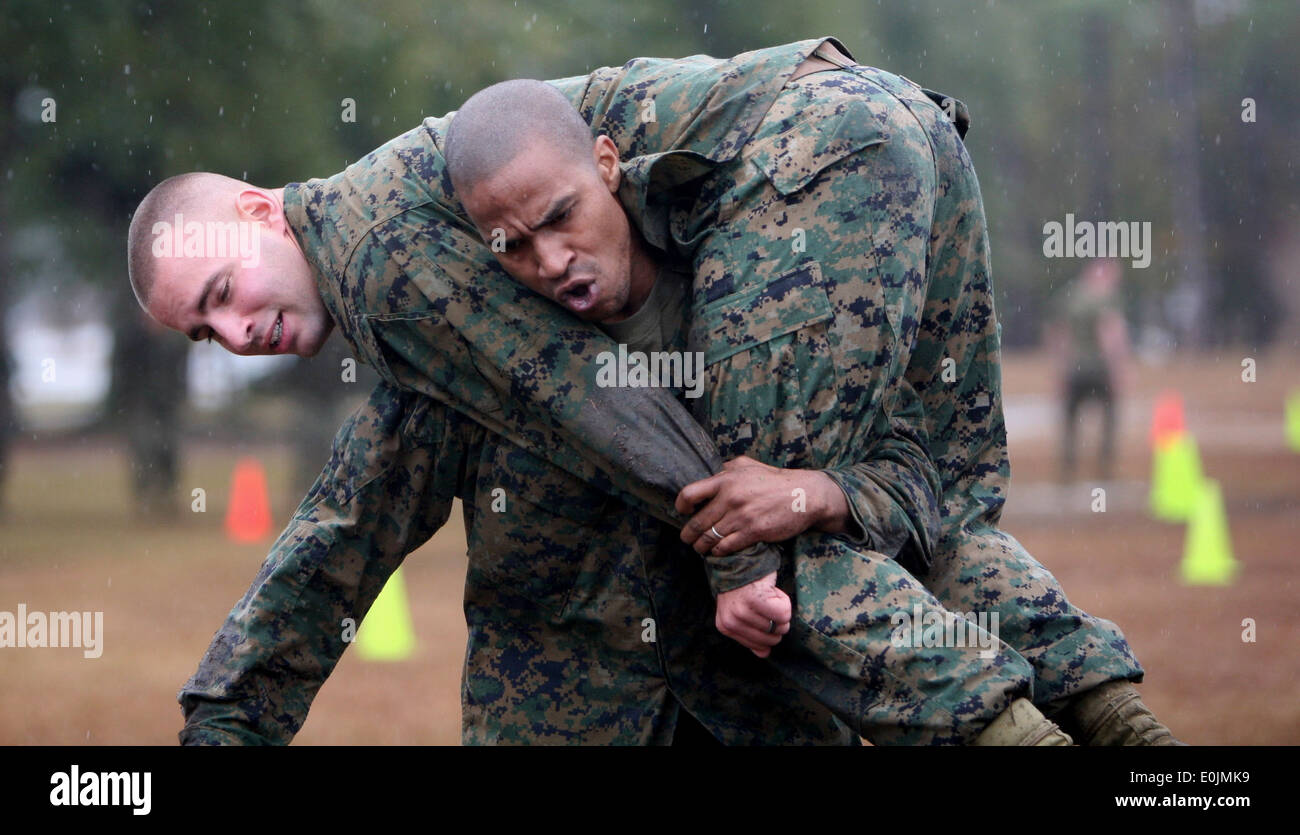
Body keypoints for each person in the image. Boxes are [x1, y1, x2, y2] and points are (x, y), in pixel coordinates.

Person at [131, 38, 1170, 744]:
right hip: (579, 705)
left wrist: (773, 528)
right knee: (806, 504)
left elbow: (609, 405)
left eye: (222, 293)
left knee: (780, 508)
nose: (237, 336)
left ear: (609, 166)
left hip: (746, 703)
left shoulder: (394, 263)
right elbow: (332, 548)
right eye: (203, 331)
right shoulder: (436, 347)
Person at [1051, 258, 1132, 482]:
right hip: (1098, 369)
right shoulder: (1105, 299)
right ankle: (1105, 470)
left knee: (1070, 420)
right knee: (1110, 418)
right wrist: (1118, 370)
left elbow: (1061, 336)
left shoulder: (1070, 296)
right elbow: (1109, 335)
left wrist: (1061, 371)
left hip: (1075, 369)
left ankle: (1068, 470)